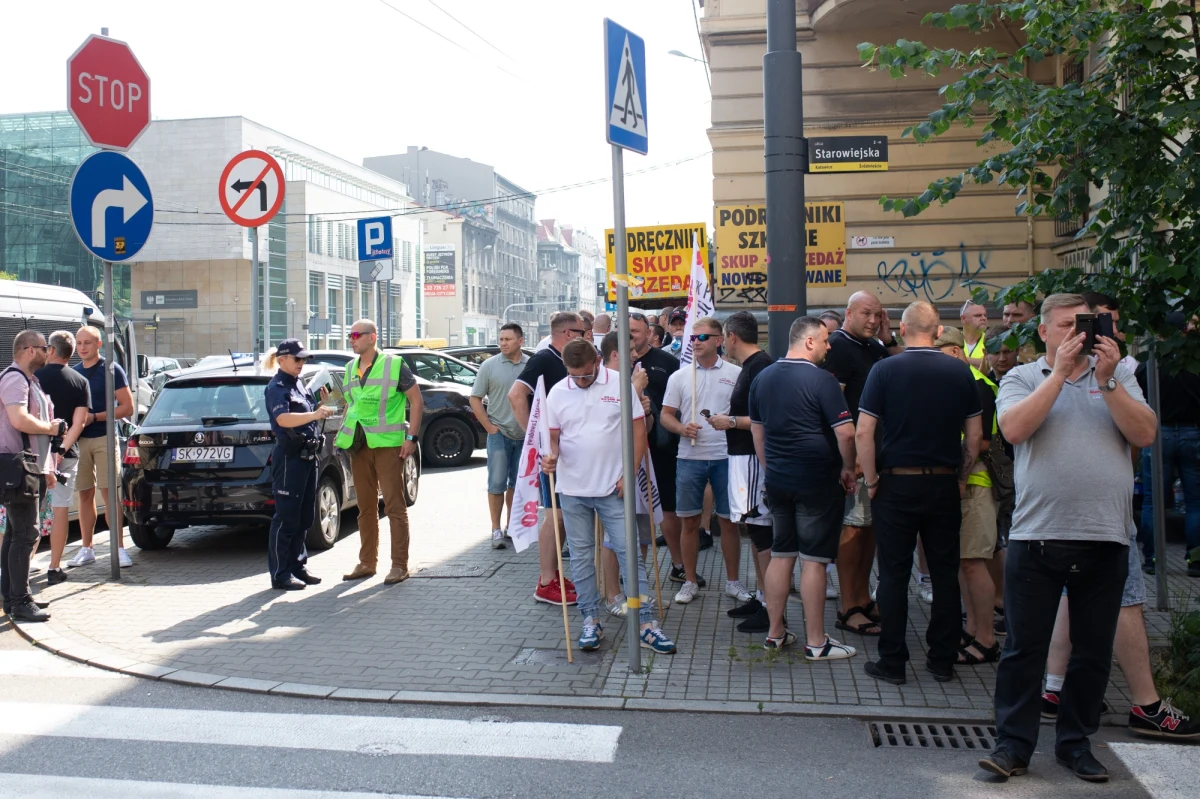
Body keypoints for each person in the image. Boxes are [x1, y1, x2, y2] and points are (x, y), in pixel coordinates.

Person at [981, 293, 1157, 782]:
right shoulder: (1022, 376)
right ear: (1043, 331)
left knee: (1092, 651)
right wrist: (1059, 374)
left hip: (1106, 536)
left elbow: (1145, 435)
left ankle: (1075, 744)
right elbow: (1013, 430)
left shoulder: (1120, 377)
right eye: (1064, 325)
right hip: (1038, 535)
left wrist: (1108, 382)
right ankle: (1012, 745)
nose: (1074, 334)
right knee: (1023, 649)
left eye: (1084, 324)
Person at [855, 301, 983, 686]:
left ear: (902, 329)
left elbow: (863, 432)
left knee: (893, 573)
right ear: (939, 331)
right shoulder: (960, 371)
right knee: (944, 572)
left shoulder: (884, 369)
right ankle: (942, 660)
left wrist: (873, 480)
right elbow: (974, 437)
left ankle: (893, 662)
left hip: (896, 482)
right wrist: (960, 478)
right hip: (943, 482)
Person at [542, 339, 677, 654]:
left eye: (586, 375)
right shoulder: (558, 392)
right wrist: (549, 457)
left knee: (629, 554)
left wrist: (628, 475)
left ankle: (645, 623)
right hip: (573, 489)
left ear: (598, 362)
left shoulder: (619, 384)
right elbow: (553, 438)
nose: (580, 381)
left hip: (612, 488)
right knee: (580, 558)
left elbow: (638, 431)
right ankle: (590, 620)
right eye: (574, 376)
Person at [750, 317, 858, 660]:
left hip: (779, 479)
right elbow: (847, 433)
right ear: (809, 341)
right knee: (813, 560)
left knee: (782, 554)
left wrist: (773, 469)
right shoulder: (822, 380)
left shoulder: (762, 378)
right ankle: (816, 641)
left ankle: (775, 633)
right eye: (826, 340)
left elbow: (758, 435)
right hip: (816, 480)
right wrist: (847, 467)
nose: (830, 346)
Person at [822, 291, 900, 637]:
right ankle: (848, 606)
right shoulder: (838, 346)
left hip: (876, 457)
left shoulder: (874, 347)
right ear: (848, 312)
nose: (872, 320)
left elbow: (903, 365)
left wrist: (888, 336)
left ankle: (864, 597)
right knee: (853, 532)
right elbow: (832, 406)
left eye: (878, 315)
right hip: (853, 461)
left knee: (869, 532)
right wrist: (847, 459)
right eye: (867, 314)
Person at [660, 316, 748, 606]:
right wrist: (682, 428)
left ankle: (733, 583)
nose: (695, 342)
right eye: (692, 338)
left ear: (719, 340)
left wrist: (731, 423)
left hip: (727, 457)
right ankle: (689, 580)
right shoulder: (680, 376)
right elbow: (665, 415)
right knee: (689, 522)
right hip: (689, 457)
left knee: (729, 522)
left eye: (702, 337)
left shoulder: (737, 373)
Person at [336, 319, 423, 585]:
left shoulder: (394, 365)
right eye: (349, 335)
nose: (352, 339)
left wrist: (411, 438)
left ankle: (399, 565)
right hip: (359, 447)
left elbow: (417, 401)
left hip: (388, 446)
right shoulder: (350, 368)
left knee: (394, 507)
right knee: (364, 508)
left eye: (356, 335)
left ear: (372, 337)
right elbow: (350, 405)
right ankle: (367, 563)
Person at [932, 327, 1000, 666]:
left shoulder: (977, 385)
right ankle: (972, 628)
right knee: (964, 562)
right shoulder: (961, 381)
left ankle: (986, 639)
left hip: (976, 484)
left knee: (974, 564)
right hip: (963, 484)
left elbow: (983, 441)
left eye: (938, 354)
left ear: (955, 352)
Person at [509, 311, 583, 605]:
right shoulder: (544, 359)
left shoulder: (560, 361)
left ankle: (552, 574)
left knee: (561, 517)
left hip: (565, 450)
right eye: (582, 332)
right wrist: (536, 440)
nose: (586, 336)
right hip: (550, 453)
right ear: (568, 333)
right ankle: (545, 581)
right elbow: (516, 396)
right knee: (556, 516)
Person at [709, 311, 775, 632]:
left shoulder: (760, 366)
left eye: (723, 337)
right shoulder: (752, 367)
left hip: (752, 460)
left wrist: (731, 422)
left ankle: (772, 609)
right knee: (754, 530)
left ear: (732, 337)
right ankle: (762, 597)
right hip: (743, 459)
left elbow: (767, 418)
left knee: (762, 534)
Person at [1, 330, 63, 622]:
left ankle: (12, 597)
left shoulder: (29, 380)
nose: (48, 352)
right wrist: (50, 428)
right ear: (28, 350)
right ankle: (19, 600)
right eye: (43, 348)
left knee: (16, 534)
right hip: (19, 467)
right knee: (25, 534)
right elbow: (18, 419)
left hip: (30, 466)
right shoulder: (15, 379)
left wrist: (48, 466)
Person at [264, 340, 335, 590]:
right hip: (290, 459)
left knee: (305, 517)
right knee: (286, 519)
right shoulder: (277, 387)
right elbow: (283, 418)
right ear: (282, 359)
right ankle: (280, 574)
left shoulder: (298, 384)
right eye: (297, 359)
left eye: (303, 359)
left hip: (308, 456)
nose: (301, 363)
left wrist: (317, 406)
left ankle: (298, 566)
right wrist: (315, 414)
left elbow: (302, 417)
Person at [596, 330, 655, 615]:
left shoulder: (630, 383)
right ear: (616, 353)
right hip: (614, 471)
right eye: (631, 351)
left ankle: (637, 591)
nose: (636, 355)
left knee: (641, 533)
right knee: (614, 536)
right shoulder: (602, 384)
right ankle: (613, 595)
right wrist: (633, 391)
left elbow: (645, 429)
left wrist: (643, 406)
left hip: (639, 468)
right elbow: (607, 430)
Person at [1135, 317, 1199, 575]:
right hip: (1194, 433)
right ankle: (1195, 560)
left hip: (1156, 433)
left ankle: (1152, 559)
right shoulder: (1194, 362)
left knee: (1153, 502)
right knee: (1196, 501)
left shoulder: (1150, 363)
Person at [69, 325, 135, 569]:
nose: (83, 347)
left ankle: (119, 549)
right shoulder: (74, 373)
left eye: (88, 342)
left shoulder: (111, 369)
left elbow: (127, 407)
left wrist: (95, 417)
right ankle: (86, 549)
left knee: (109, 494)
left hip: (105, 437)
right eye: (79, 343)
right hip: (80, 440)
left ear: (99, 344)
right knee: (85, 494)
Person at [628, 313, 686, 580]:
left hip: (662, 447)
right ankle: (635, 572)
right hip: (625, 448)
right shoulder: (613, 364)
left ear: (650, 334)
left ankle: (678, 565)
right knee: (632, 512)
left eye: (636, 332)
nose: (631, 337)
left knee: (669, 509)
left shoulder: (667, 361)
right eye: (626, 331)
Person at [33, 331, 91, 586]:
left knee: (27, 513)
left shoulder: (33, 378)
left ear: (52, 351)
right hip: (65, 457)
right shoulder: (80, 381)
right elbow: (78, 424)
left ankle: (19, 568)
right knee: (60, 511)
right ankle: (54, 568)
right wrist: (62, 450)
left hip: (34, 453)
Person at [470, 323, 529, 549]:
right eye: (501, 339)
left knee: (517, 483)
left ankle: (511, 527)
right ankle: (495, 530)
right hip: (499, 434)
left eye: (508, 339)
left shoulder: (530, 365)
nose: (503, 343)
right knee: (496, 482)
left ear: (520, 341)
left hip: (524, 436)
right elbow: (475, 398)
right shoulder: (489, 365)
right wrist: (489, 426)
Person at [960, 300, 989, 372]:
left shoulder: (991, 341)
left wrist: (959, 358)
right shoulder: (953, 340)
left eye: (985, 315)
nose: (983, 318)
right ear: (963, 319)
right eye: (978, 315)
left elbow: (992, 364)